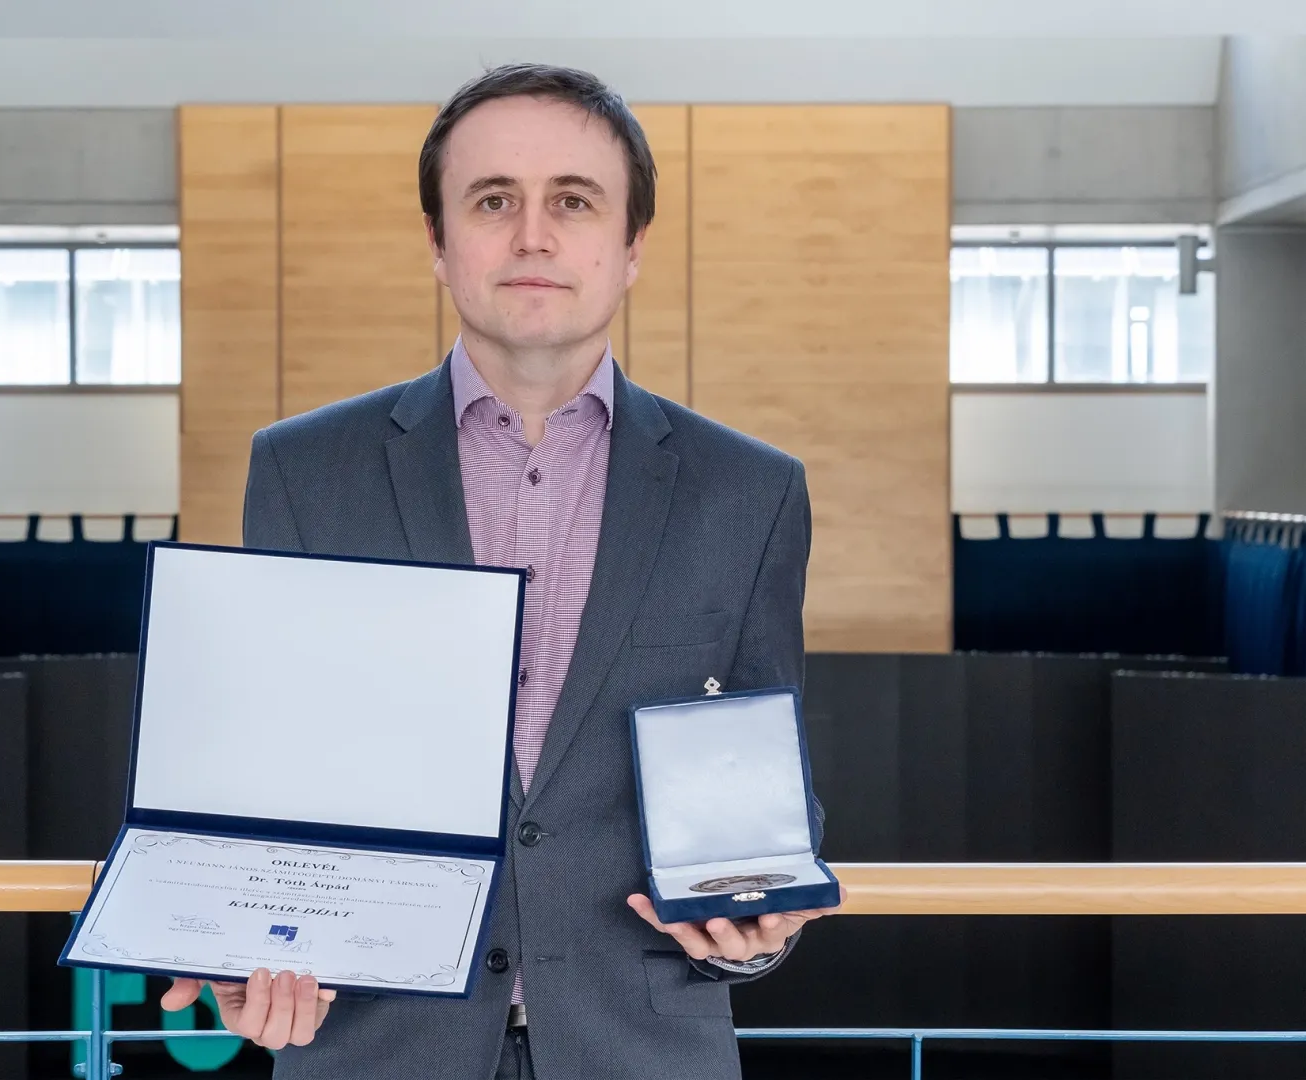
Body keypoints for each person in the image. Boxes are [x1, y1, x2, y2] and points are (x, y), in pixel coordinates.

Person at [162, 62, 843, 1080]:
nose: (533, 234)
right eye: (493, 201)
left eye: (573, 201)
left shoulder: (748, 492)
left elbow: (765, 777)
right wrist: (237, 952)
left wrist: (764, 928)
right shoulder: (304, 471)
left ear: (631, 248)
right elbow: (267, 765)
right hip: (376, 1046)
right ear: (439, 244)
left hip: (642, 1046)